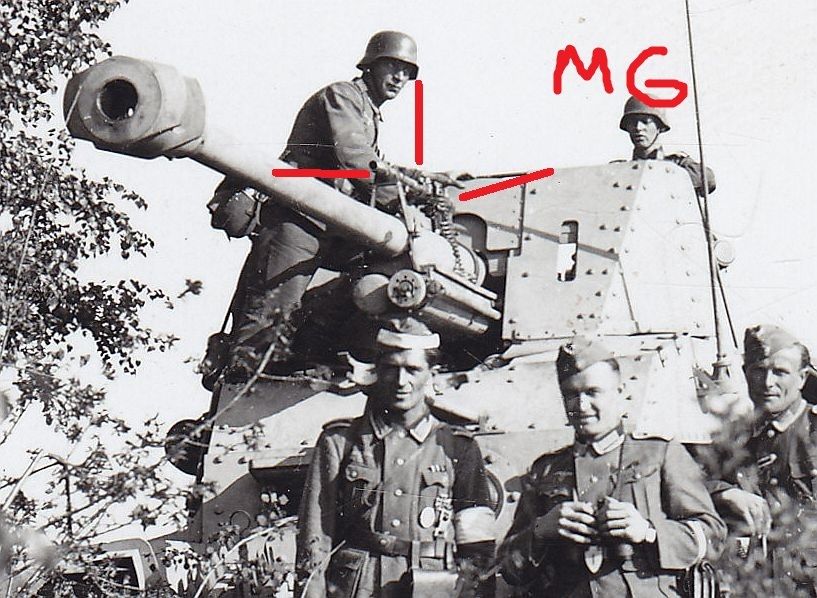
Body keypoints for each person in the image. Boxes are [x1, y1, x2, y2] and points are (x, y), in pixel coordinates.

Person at [212, 32, 466, 380]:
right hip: (299, 217)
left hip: (330, 223)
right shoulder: (342, 96)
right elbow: (357, 161)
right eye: (392, 67)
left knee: (376, 274)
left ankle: (308, 349)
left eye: (407, 72)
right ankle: (243, 381)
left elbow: (373, 164)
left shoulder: (367, 110)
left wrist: (423, 179)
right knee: (271, 312)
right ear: (371, 65)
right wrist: (409, 197)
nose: (399, 78)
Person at [498, 334, 725, 596]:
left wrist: (648, 531)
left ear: (621, 393)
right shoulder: (545, 469)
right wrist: (540, 530)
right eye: (571, 394)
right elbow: (509, 568)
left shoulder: (660, 453)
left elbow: (712, 537)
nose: (581, 405)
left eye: (592, 392)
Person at [295, 316, 496, 597]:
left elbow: (477, 547)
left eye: (413, 370)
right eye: (391, 369)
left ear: (431, 373)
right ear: (377, 371)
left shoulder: (458, 447)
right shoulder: (340, 442)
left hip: (432, 585)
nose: (402, 381)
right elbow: (314, 535)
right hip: (358, 586)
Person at [703, 324, 817, 589]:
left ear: (802, 378)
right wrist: (727, 494)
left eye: (780, 372)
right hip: (757, 581)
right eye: (759, 370)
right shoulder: (737, 437)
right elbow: (692, 485)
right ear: (745, 374)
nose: (767, 383)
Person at [618, 95, 716, 197]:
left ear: (659, 127)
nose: (638, 128)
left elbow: (708, 178)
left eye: (645, 122)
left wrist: (668, 176)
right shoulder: (621, 170)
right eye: (632, 123)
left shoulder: (678, 164)